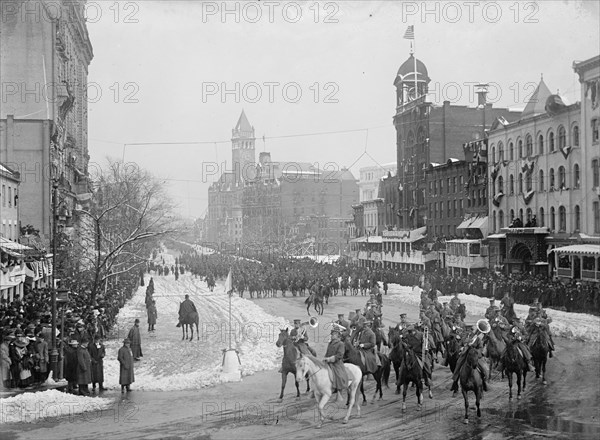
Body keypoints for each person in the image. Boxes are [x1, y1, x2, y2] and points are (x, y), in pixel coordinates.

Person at [450, 329, 489, 396]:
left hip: (475, 355)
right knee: (458, 365)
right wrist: (461, 348)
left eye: (472, 331)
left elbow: (480, 347)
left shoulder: (478, 339)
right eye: (468, 331)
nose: (470, 332)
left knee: (483, 367)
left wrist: (475, 351)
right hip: (465, 356)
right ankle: (455, 385)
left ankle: (484, 382)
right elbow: (459, 345)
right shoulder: (464, 338)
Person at [322, 324, 348, 403]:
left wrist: (330, 359)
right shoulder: (330, 343)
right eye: (332, 334)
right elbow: (327, 352)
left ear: (337, 335)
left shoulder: (341, 344)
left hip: (336, 363)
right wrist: (325, 358)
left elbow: (340, 355)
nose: (332, 335)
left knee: (338, 375)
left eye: (333, 334)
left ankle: (339, 391)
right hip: (328, 361)